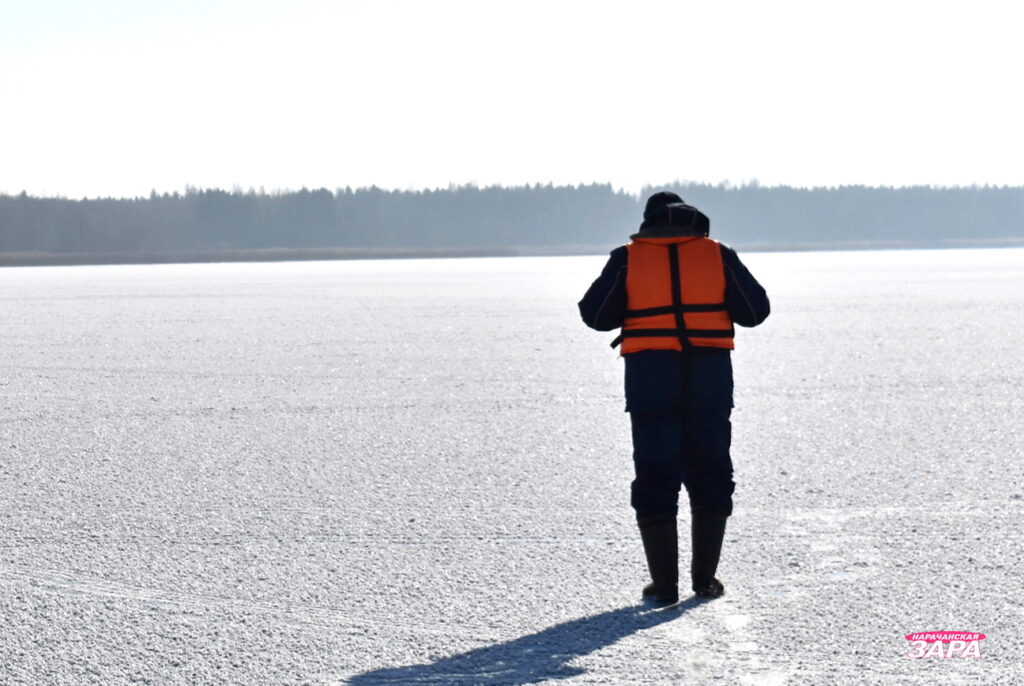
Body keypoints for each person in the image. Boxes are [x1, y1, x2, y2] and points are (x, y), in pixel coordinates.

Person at [578, 191, 770, 605]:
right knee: (711, 470)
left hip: (651, 380)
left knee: (655, 472)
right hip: (710, 380)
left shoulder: (628, 257)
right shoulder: (718, 254)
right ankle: (705, 579)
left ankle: (664, 585)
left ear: (648, 223)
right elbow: (755, 312)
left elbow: (595, 316)